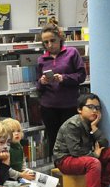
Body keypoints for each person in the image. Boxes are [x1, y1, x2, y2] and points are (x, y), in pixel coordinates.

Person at [53, 93, 110, 187]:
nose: (94, 110)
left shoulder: (91, 122)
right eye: (90, 107)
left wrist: (95, 127)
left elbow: (104, 144)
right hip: (64, 159)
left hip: (84, 156)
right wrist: (95, 155)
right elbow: (75, 151)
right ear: (80, 109)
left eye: (97, 107)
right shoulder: (72, 124)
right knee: (94, 163)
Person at [36, 23, 87, 157]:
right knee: (54, 139)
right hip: (48, 107)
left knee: (71, 139)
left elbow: (81, 76)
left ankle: (72, 170)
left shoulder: (72, 53)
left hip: (68, 105)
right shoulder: (41, 60)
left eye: (52, 40)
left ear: (60, 38)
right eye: (46, 42)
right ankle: (57, 169)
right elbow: (38, 87)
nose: (49, 45)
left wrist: (64, 78)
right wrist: (42, 82)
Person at [5, 118, 54, 187]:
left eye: (18, 131)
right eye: (12, 132)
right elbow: (6, 170)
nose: (16, 134)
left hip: (21, 174)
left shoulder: (19, 146)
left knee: (43, 181)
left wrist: (27, 172)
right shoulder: (7, 149)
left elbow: (22, 164)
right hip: (12, 178)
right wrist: (22, 175)